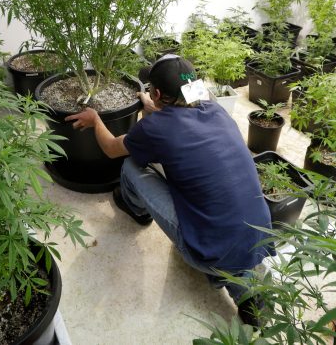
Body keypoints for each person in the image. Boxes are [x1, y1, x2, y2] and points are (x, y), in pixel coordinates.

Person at [65, 54, 273, 327]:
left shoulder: (157, 128)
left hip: (207, 249)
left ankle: (134, 208)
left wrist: (95, 120)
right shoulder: (217, 110)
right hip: (260, 232)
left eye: (151, 89)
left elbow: (111, 147)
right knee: (221, 220)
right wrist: (153, 104)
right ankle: (252, 295)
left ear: (158, 92)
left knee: (131, 165)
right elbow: (182, 111)